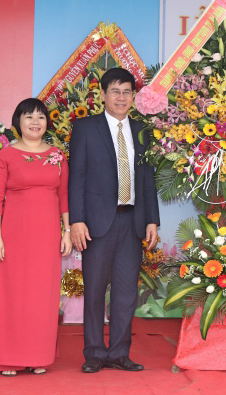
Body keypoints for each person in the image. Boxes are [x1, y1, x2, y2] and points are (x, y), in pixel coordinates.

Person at [69, 67, 160, 373]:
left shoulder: (142, 131)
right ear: (103, 95)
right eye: (115, 91)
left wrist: (152, 220)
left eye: (127, 92)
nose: (121, 97)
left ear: (133, 96)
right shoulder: (85, 128)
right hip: (96, 224)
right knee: (94, 291)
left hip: (132, 222)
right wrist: (76, 220)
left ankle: (120, 352)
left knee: (125, 293)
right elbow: (76, 177)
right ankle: (94, 352)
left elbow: (148, 179)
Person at [0, 98, 72, 376]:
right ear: (17, 123)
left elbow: (64, 197)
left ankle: (38, 356)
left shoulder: (57, 154)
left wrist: (67, 231)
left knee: (41, 297)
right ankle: (8, 358)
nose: (35, 122)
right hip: (13, 234)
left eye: (40, 117)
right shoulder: (6, 156)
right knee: (12, 295)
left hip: (47, 236)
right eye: (28, 117)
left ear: (47, 123)